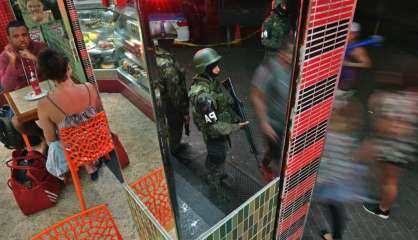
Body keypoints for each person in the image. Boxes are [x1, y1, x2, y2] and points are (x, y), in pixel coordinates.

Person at [37, 48, 102, 180]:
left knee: (57, 140)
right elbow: (99, 113)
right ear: (69, 67)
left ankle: (86, 164)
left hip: (75, 151)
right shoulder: (89, 87)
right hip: (99, 139)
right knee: (83, 127)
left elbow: (51, 138)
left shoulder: (44, 104)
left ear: (47, 76)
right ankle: (93, 159)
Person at [189, 48, 248, 188]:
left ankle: (219, 173)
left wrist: (234, 113)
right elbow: (213, 128)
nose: (218, 69)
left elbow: (221, 103)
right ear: (204, 68)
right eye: (213, 66)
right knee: (217, 155)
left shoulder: (210, 82)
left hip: (221, 127)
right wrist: (237, 126)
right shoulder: (203, 96)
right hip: (214, 134)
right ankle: (214, 183)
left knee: (221, 154)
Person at [362, 80, 418, 219]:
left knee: (390, 181)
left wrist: (374, 112)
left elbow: (388, 126)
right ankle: (383, 201)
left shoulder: (403, 98)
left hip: (395, 147)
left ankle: (383, 210)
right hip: (403, 146)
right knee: (387, 177)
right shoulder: (411, 97)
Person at [315, 99, 367, 240]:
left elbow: (330, 163)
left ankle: (336, 236)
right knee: (335, 209)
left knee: (333, 208)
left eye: (335, 113)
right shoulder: (347, 136)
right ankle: (336, 234)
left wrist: (322, 178)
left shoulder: (332, 137)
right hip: (340, 182)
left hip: (332, 183)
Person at [0, 20, 47, 150]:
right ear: (9, 38)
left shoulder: (40, 47)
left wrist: (35, 58)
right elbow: (7, 87)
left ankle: (56, 137)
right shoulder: (4, 56)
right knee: (17, 121)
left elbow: (54, 69)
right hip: (25, 99)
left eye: (24, 34)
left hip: (46, 94)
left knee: (59, 109)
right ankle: (43, 136)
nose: (22, 39)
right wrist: (12, 61)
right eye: (16, 36)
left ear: (29, 34)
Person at [251, 40, 293, 181]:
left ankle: (266, 162)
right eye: (290, 54)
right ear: (282, 53)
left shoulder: (295, 68)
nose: (292, 58)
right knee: (277, 153)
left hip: (290, 123)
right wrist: (265, 123)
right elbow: (256, 95)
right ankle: (276, 179)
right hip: (273, 124)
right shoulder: (268, 69)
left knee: (279, 150)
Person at [150, 22, 190, 159]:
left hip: (158, 99)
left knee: (162, 126)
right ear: (168, 40)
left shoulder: (154, 54)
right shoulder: (167, 64)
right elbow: (175, 93)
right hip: (169, 103)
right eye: (172, 39)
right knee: (175, 125)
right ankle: (174, 148)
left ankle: (165, 149)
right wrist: (183, 110)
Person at [338, 22, 372, 92]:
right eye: (346, 32)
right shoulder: (341, 43)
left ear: (356, 34)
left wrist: (348, 64)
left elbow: (367, 64)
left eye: (351, 33)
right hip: (336, 77)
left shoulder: (357, 48)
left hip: (346, 81)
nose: (347, 35)